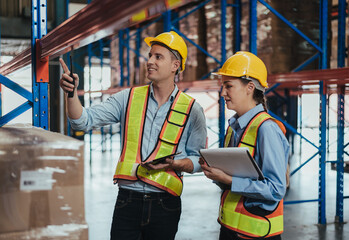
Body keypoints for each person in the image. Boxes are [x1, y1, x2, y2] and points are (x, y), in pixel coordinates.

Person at [59, 31, 207, 240]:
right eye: (150, 56)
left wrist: (175, 164)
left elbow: (199, 160)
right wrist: (71, 93)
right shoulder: (128, 98)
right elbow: (82, 120)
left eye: (158, 57)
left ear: (175, 65)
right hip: (128, 201)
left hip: (165, 204)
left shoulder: (193, 110)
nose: (150, 62)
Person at [200, 51, 289, 240]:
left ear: (250, 87)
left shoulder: (267, 129)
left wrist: (229, 179)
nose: (223, 92)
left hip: (258, 233)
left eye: (228, 86)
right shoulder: (233, 128)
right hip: (230, 228)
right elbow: (232, 180)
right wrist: (215, 173)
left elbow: (276, 189)